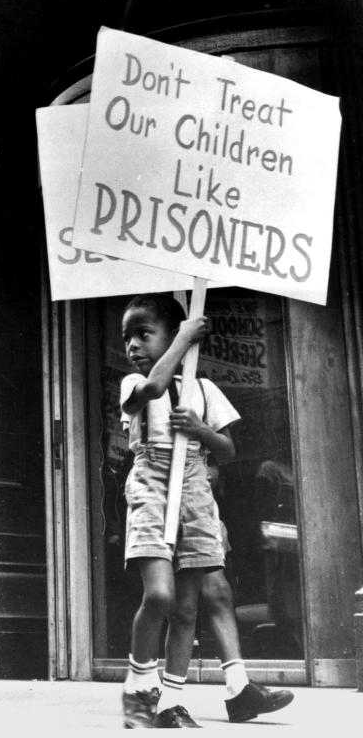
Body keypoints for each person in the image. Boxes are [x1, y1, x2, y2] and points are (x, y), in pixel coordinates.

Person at [118, 294, 238, 728]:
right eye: (127, 337)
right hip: (151, 483)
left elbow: (227, 450)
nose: (132, 344)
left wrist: (200, 429)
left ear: (170, 335)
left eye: (143, 333)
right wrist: (185, 338)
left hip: (192, 485)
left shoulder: (203, 390)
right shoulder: (133, 384)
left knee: (187, 607)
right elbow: (151, 388)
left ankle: (171, 700)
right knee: (161, 594)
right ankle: (136, 687)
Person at [199, 461, 294, 723]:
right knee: (171, 603)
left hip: (199, 508)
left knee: (218, 591)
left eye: (211, 467)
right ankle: (145, 690)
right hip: (161, 500)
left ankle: (238, 688)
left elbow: (224, 448)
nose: (210, 473)